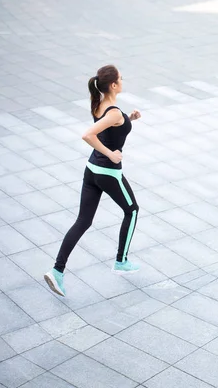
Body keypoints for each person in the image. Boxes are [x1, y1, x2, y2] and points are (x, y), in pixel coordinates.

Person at [44, 65, 141, 297]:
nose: (122, 80)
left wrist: (130, 119)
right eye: (120, 78)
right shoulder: (114, 112)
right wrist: (110, 153)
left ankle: (57, 271)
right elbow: (88, 134)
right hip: (108, 172)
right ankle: (121, 261)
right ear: (114, 85)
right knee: (133, 210)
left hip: (91, 171)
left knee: (83, 221)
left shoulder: (100, 104)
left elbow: (110, 128)